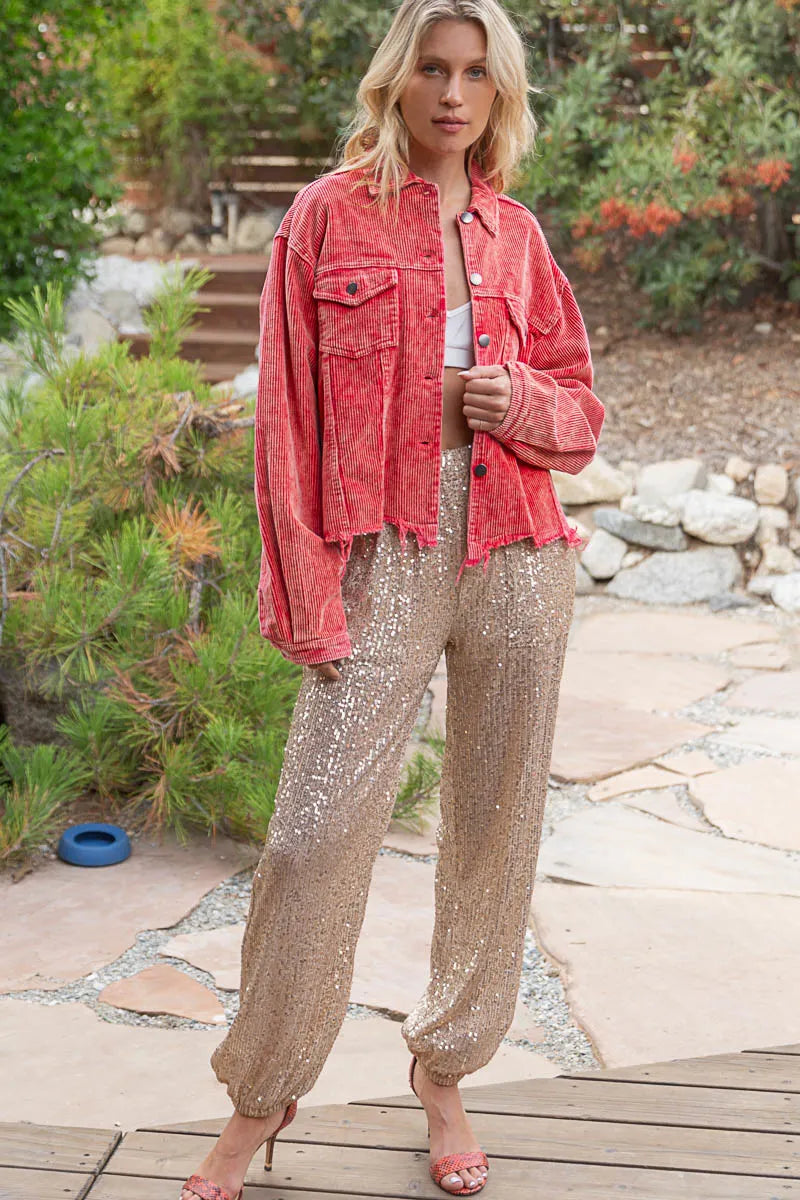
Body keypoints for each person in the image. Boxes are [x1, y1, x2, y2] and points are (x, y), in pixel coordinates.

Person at [180, 1, 603, 1197]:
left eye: (475, 73)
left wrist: (514, 401)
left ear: (499, 93)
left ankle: (446, 1072)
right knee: (314, 836)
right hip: (384, 548)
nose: (452, 93)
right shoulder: (326, 217)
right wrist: (307, 593)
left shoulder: (517, 235)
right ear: (396, 81)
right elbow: (285, 426)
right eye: (432, 67)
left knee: (493, 829)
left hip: (519, 553)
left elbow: (577, 408)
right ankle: (261, 1097)